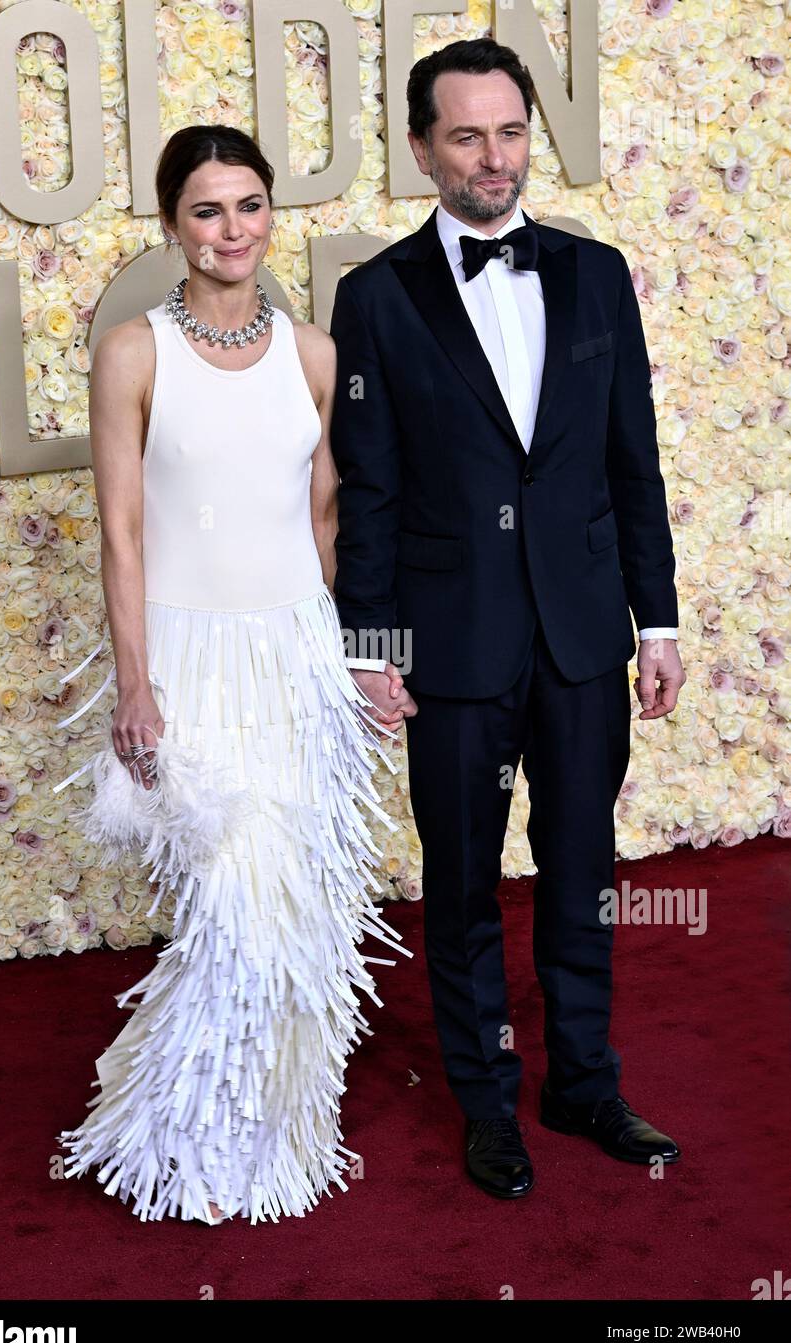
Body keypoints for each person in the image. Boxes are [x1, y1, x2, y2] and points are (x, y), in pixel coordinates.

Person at [329, 38, 687, 1199]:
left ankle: (582, 1080)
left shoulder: (594, 273)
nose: (495, 157)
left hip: (583, 634)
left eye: (511, 130)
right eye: (467, 135)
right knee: (464, 880)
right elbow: (368, 492)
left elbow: (632, 463)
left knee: (582, 864)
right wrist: (373, 654)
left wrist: (658, 622)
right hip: (452, 645)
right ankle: (486, 1097)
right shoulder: (375, 297)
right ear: (423, 148)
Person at [53, 125, 413, 1226]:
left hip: (298, 652)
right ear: (172, 224)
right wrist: (135, 684)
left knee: (301, 908)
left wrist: (368, 663)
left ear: (270, 214)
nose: (231, 230)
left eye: (248, 205)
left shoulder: (313, 353)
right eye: (207, 211)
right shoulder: (132, 351)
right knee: (235, 911)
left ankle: (272, 1132)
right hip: (191, 656)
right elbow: (120, 532)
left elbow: (333, 523)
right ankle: (175, 1135)